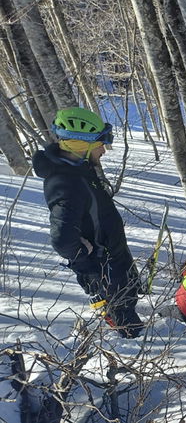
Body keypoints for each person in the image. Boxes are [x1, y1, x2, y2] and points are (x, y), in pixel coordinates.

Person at [32, 107, 143, 338]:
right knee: (128, 328)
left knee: (128, 305)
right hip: (103, 269)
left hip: (113, 260)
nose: (104, 149)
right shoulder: (65, 182)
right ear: (81, 145)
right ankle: (133, 358)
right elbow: (62, 240)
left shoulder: (79, 170)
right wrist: (86, 258)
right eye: (100, 144)